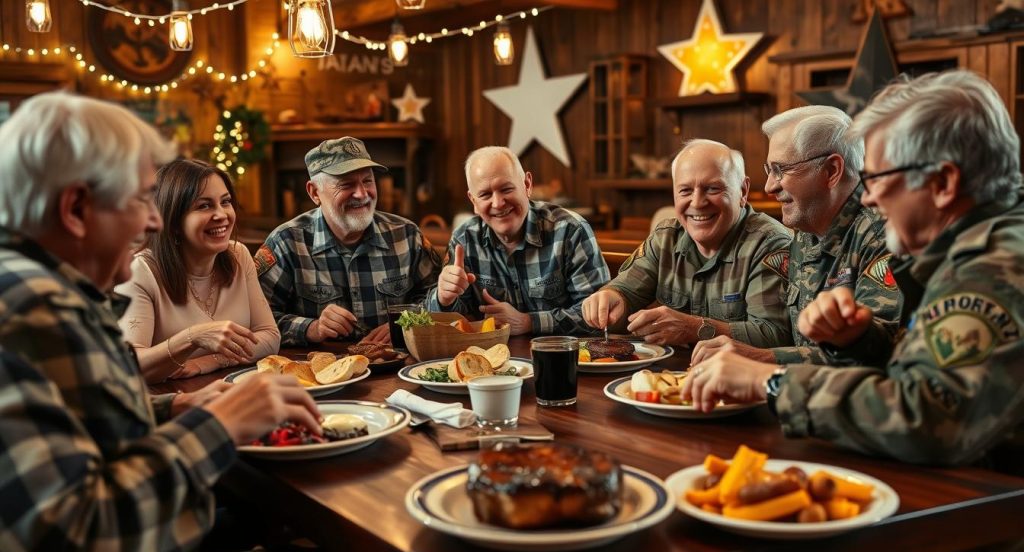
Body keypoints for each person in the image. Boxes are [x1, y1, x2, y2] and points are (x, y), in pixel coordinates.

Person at [0, 92, 321, 552]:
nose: (153, 220)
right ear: (76, 209)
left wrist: (169, 409)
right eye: (139, 200)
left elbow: (71, 414)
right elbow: (81, 544)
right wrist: (218, 425)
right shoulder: (35, 309)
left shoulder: (31, 284)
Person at [683, 70, 1024, 473]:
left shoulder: (993, 267)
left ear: (943, 182)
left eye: (878, 177)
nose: (870, 195)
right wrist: (861, 341)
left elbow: (930, 417)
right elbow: (927, 370)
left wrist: (770, 383)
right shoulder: (971, 247)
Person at [691, 106, 902, 366]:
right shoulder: (806, 230)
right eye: (769, 170)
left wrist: (762, 358)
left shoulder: (885, 234)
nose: (769, 186)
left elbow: (875, 355)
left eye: (781, 170)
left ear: (832, 170)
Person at [582, 139, 792, 348]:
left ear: (743, 191)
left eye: (712, 188)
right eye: (685, 191)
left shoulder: (769, 243)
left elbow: (773, 335)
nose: (697, 202)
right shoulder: (665, 237)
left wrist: (694, 329)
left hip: (740, 378)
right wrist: (610, 300)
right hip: (668, 376)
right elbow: (624, 295)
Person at [258, 136, 441, 346]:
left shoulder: (407, 235)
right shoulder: (286, 242)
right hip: (320, 372)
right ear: (314, 192)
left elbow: (438, 299)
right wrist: (311, 328)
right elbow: (257, 321)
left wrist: (407, 322)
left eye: (368, 181)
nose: (362, 193)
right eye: (346, 184)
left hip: (397, 369)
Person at [116, 159, 281, 383]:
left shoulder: (238, 255)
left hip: (229, 392)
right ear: (172, 221)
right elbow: (129, 365)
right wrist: (192, 337)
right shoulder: (141, 271)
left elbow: (270, 337)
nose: (222, 214)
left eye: (226, 202)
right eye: (204, 205)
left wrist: (209, 362)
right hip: (168, 404)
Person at [426, 146, 609, 335]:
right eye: (485, 195)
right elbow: (454, 322)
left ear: (527, 185)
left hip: (562, 358)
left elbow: (600, 316)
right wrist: (443, 299)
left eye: (506, 189)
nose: (498, 203)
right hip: (493, 360)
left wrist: (529, 322)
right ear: (473, 202)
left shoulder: (570, 230)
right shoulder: (464, 239)